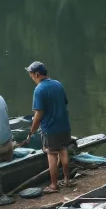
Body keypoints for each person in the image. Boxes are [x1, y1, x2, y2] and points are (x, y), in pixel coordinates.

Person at [25, 61, 72, 193]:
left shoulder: (39, 89)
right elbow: (65, 103)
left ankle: (54, 185)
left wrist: (32, 130)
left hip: (50, 130)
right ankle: (67, 180)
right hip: (65, 127)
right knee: (63, 150)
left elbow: (39, 114)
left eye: (31, 74)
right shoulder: (58, 84)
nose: (31, 77)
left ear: (37, 74)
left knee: (51, 154)